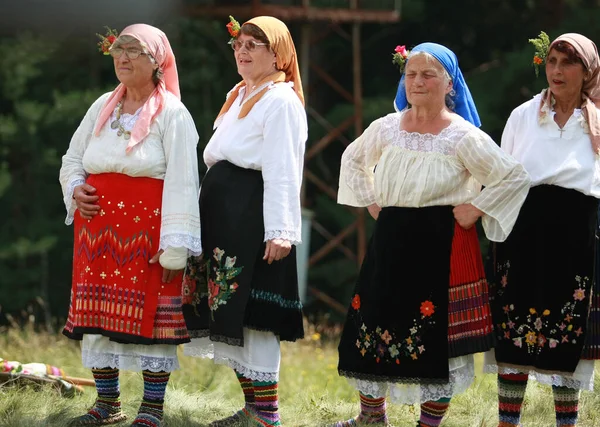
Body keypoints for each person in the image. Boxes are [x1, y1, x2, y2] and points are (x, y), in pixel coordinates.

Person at [330, 42, 531, 427]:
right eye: (411, 74)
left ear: (449, 83)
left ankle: (429, 423)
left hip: (441, 243)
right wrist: (374, 204)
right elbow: (353, 160)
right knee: (372, 320)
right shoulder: (387, 127)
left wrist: (477, 208)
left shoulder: (462, 136)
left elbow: (512, 176)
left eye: (428, 74)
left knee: (436, 337)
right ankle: (371, 418)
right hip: (391, 239)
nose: (418, 82)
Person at [59, 24, 201, 427]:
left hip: (147, 234)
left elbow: (184, 179)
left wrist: (176, 245)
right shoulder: (102, 105)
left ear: (157, 61)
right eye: (118, 48)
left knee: (152, 319)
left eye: (133, 50)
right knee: (99, 317)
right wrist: (76, 188)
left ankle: (152, 410)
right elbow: (72, 160)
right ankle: (107, 405)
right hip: (97, 231)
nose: (122, 56)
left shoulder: (173, 113)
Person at [181, 16, 307, 427]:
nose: (243, 50)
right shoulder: (240, 94)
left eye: (255, 44)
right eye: (239, 44)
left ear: (279, 54)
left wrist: (281, 231)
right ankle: (253, 407)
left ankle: (267, 414)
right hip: (223, 215)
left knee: (255, 315)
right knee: (230, 311)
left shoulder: (281, 100)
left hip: (253, 215)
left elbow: (283, 168)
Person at [485, 33, 600, 427]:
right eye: (552, 62)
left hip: (578, 235)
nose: (557, 71)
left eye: (568, 63)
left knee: (569, 331)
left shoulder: (598, 120)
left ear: (587, 71)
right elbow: (502, 175)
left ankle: (566, 423)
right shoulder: (524, 115)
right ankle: (507, 422)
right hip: (525, 232)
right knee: (515, 326)